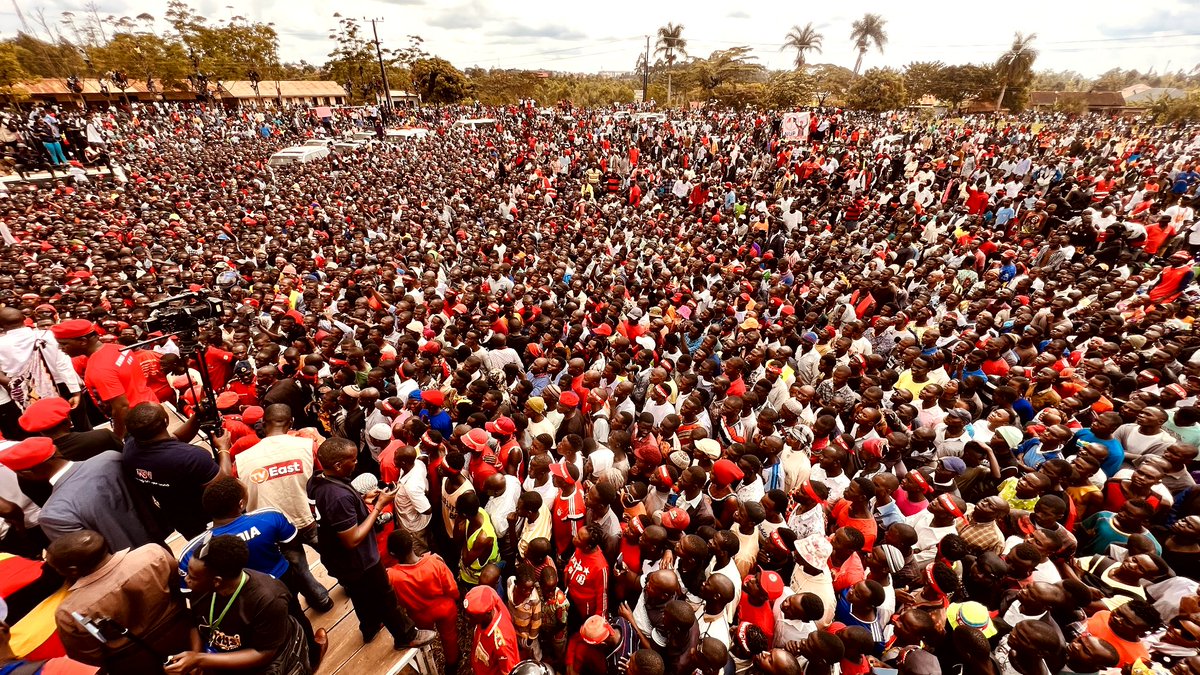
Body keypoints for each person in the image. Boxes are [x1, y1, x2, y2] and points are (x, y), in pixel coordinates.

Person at [306, 437, 434, 649]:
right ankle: (406, 636)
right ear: (337, 465)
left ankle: (370, 627)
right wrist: (379, 506)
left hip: (338, 558)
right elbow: (352, 539)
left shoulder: (319, 480)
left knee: (360, 596)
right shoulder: (337, 496)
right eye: (352, 460)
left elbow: (339, 513)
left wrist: (361, 498)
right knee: (385, 596)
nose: (356, 463)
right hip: (359, 559)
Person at [167, 535, 320, 674]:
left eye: (192, 576)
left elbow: (264, 653)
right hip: (219, 659)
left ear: (217, 581)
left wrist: (200, 659)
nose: (186, 580)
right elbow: (195, 623)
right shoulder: (199, 587)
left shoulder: (268, 599)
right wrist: (196, 658)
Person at [47, 530, 192, 673]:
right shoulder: (153, 554)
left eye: (55, 568)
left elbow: (91, 663)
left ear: (72, 570)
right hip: (188, 640)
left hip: (136, 667)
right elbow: (184, 594)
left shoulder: (70, 612)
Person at [231, 404, 331, 611]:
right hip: (308, 517)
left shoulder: (240, 461)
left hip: (275, 529)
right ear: (291, 423)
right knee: (333, 553)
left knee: (298, 567)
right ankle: (349, 584)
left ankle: (321, 601)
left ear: (263, 424)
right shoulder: (307, 446)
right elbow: (324, 478)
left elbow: (234, 494)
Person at [0, 437, 161, 549]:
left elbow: (90, 559)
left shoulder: (53, 514)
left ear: (27, 473)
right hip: (159, 545)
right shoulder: (111, 458)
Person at [122, 402, 230, 539]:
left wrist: (197, 417)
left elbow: (173, 440)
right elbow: (226, 486)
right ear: (166, 421)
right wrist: (223, 448)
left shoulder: (130, 448)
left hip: (178, 518)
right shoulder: (192, 458)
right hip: (210, 517)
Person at [51, 320, 157, 439]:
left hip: (137, 424)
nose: (60, 348)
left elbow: (121, 407)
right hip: (151, 408)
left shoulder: (99, 369)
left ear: (83, 342)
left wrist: (118, 437)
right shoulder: (118, 348)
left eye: (64, 344)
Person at [384, 529, 461, 669]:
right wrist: (456, 598)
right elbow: (452, 587)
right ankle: (452, 664)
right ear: (412, 543)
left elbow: (395, 601)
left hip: (419, 614)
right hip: (444, 608)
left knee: (424, 640)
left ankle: (427, 661)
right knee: (449, 637)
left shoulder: (392, 576)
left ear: (392, 554)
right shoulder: (435, 562)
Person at [463, 585, 520, 675]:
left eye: (472, 616)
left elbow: (508, 671)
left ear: (487, 613)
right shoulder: (493, 604)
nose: (467, 618)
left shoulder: (501, 642)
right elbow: (488, 591)